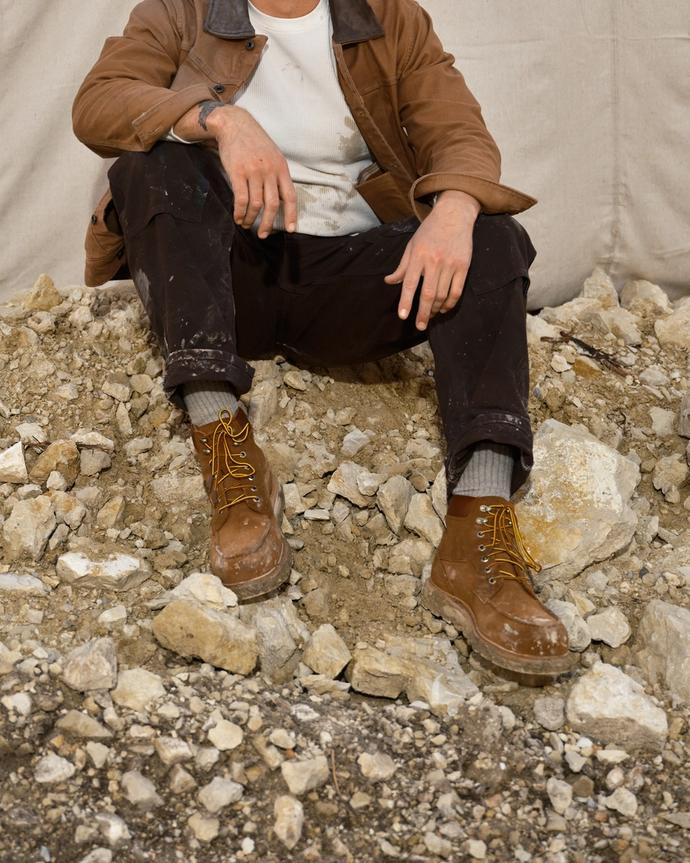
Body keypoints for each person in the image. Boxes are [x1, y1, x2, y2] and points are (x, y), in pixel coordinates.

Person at [73, 0, 573, 676]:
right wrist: (218, 119)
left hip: (353, 274)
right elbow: (100, 102)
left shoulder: (389, 17)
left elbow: (458, 131)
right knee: (149, 168)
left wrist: (455, 207)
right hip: (231, 273)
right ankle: (228, 454)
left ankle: (478, 538)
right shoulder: (182, 7)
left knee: (492, 237)